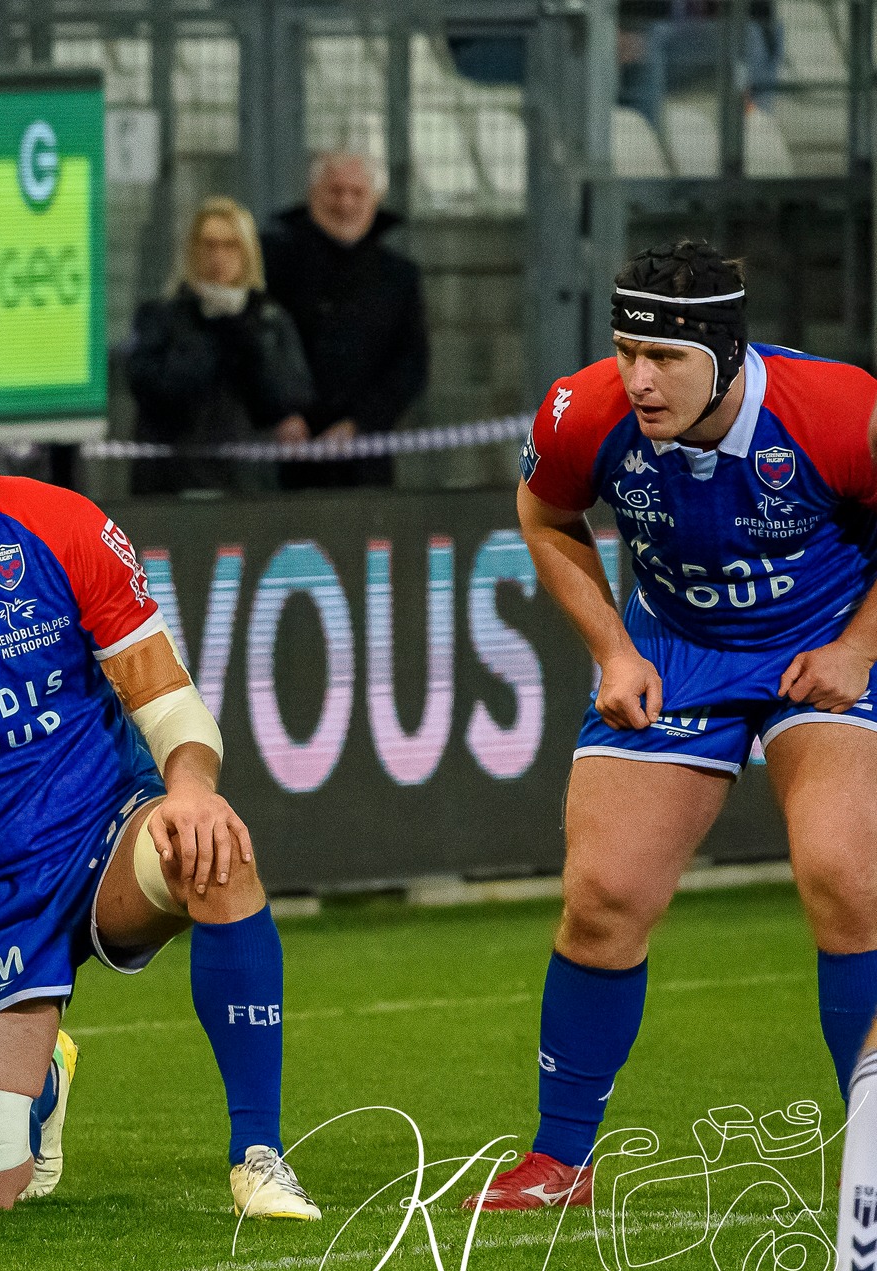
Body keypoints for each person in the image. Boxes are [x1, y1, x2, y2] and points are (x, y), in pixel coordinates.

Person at [0, 324, 320, 1220]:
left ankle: (258, 1154)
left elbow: (168, 700)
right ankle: (44, 1080)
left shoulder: (58, 524)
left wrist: (190, 787)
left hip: (100, 835)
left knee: (217, 848)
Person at [472, 240, 877, 1211]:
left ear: (726, 355)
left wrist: (859, 645)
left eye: (664, 358)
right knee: (602, 892)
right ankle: (559, 1160)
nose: (638, 379)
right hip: (677, 649)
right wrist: (612, 649)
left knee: (841, 872)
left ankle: (868, 1160)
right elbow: (542, 516)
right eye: (624, 350)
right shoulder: (583, 412)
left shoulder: (835, 411)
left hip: (818, 644)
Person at [259, 151, 430, 490]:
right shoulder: (271, 265)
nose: (345, 203)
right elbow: (255, 348)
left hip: (366, 461)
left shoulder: (399, 276)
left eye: (357, 193)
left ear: (375, 199)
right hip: (281, 458)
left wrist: (361, 425)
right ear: (313, 196)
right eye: (334, 191)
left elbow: (411, 363)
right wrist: (279, 414)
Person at [123, 197, 313, 495]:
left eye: (230, 245)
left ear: (247, 252)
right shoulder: (162, 317)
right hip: (173, 480)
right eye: (208, 245)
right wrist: (212, 337)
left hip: (248, 481)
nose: (218, 256)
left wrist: (245, 336)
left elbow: (287, 398)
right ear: (191, 251)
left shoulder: (269, 319)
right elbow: (148, 387)